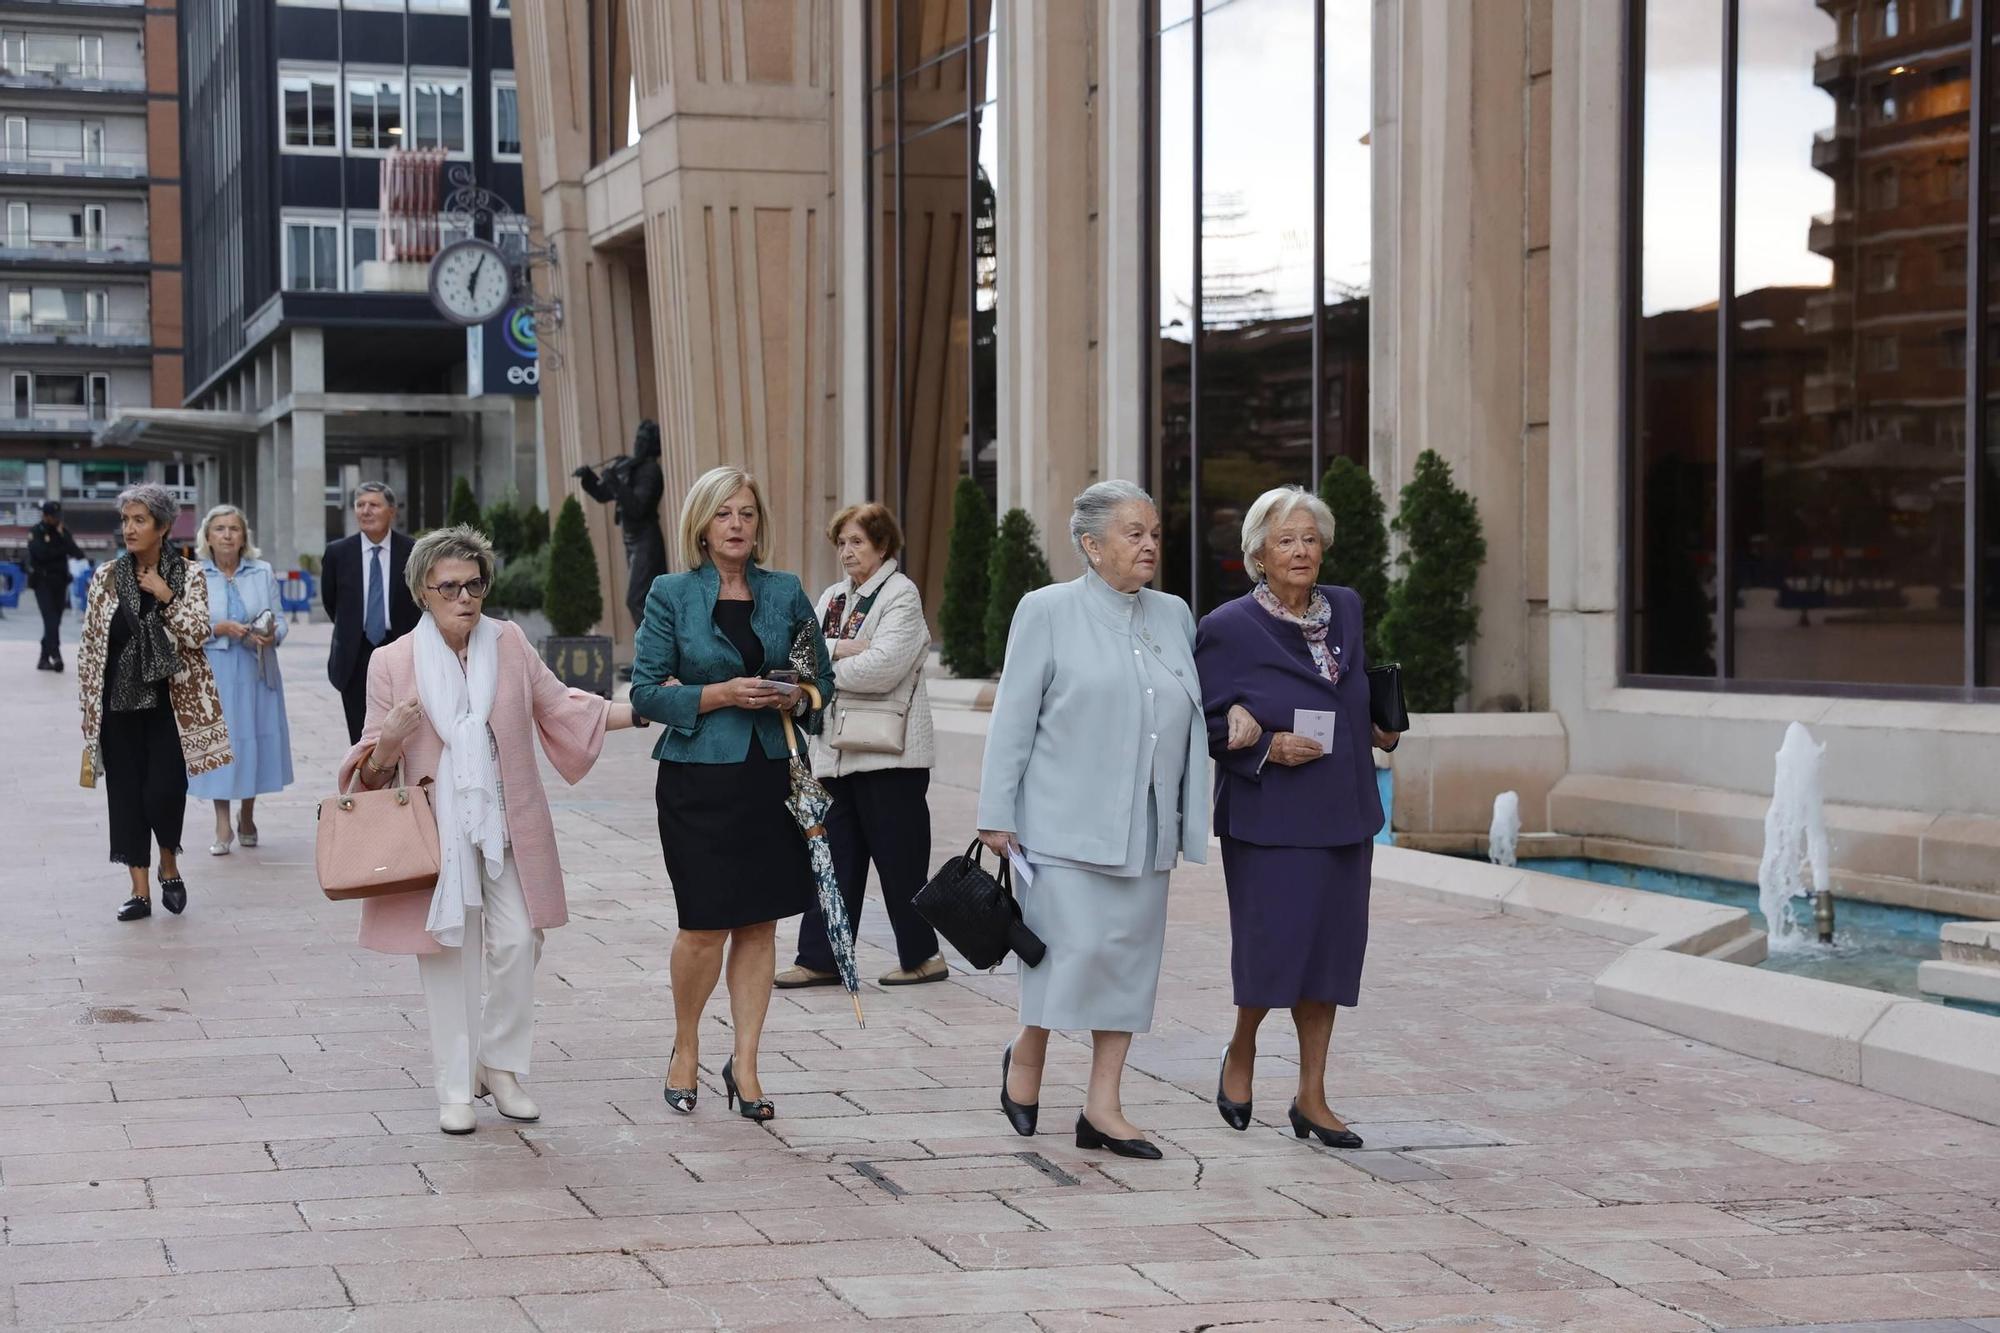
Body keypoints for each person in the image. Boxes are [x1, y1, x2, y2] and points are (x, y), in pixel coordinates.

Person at [339, 525, 645, 1135]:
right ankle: (455, 1087)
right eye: (449, 586)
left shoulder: (509, 643)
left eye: (474, 583)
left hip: (506, 827)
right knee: (448, 956)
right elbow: (370, 772)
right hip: (435, 836)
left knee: (519, 940)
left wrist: (644, 710)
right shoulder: (392, 662)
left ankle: (498, 1064)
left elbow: (562, 707)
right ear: (423, 590)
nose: (465, 597)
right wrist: (392, 741)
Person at [976, 480, 1209, 1161]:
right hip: (1060, 824)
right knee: (1063, 957)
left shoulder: (1174, 615)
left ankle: (1103, 1107)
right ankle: (1026, 1059)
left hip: (1146, 825)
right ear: (1090, 544)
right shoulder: (1046, 610)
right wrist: (996, 811)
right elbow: (1014, 715)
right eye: (1134, 533)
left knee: (1130, 965)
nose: (1149, 545)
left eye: (1155, 533)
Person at [1194, 485, 1401, 1150]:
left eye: (1310, 538)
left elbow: (1353, 681)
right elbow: (1196, 721)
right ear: (1258, 552)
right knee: (1273, 951)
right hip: (1271, 816)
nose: (1302, 550)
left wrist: (1380, 724)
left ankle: (1312, 1094)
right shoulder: (1227, 627)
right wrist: (1260, 746)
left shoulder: (1345, 607)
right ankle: (1243, 1046)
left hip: (1344, 809)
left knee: (1331, 959)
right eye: (1287, 539)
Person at [630, 467, 835, 1122]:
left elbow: (819, 682)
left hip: (771, 775)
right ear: (702, 522)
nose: (737, 524)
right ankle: (685, 1044)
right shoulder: (670, 593)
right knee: (702, 923)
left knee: (759, 921)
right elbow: (644, 692)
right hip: (698, 778)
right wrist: (720, 694)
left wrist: (792, 695)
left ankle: (745, 1061)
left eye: (747, 512)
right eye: (724, 513)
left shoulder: (787, 592)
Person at [776, 502, 944, 991]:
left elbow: (884, 668)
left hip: (890, 756)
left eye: (857, 542)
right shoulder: (832, 597)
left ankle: (922, 956)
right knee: (832, 858)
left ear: (883, 546)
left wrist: (825, 667)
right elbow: (797, 654)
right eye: (842, 543)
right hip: (834, 753)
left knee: (901, 862)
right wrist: (838, 651)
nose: (847, 552)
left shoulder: (901, 594)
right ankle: (821, 957)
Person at [77, 485, 231, 922]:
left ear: (163, 527)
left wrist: (166, 595)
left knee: (164, 791)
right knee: (125, 796)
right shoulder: (105, 575)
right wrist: (90, 709)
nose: (129, 528)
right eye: (126, 520)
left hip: (170, 705)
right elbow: (91, 645)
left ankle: (169, 865)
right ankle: (139, 891)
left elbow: (199, 634)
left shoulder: (189, 575)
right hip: (117, 707)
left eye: (139, 520)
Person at [188, 505, 294, 855]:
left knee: (253, 741)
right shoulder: (193, 575)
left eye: (234, 528)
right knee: (220, 745)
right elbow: (183, 628)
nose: (228, 535)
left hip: (256, 667)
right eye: (219, 529)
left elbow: (280, 618)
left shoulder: (262, 572)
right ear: (207, 536)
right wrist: (218, 629)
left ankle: (247, 815)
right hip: (214, 670)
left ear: (244, 536)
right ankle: (222, 822)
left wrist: (271, 634)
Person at [322, 482, 421, 743]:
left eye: (374, 505)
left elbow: (421, 601)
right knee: (362, 737)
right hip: (355, 656)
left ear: (391, 511)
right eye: (360, 505)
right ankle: (368, 783)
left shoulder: (413, 552)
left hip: (401, 649)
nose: (366, 511)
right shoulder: (337, 553)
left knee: (407, 733)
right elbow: (331, 602)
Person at [575, 419, 667, 633]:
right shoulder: (631, 467)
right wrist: (588, 478)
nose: (638, 445)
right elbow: (603, 494)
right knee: (641, 600)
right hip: (632, 539)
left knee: (637, 600)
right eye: (637, 439)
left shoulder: (651, 471)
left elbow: (637, 507)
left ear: (653, 445)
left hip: (646, 540)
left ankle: (652, 656)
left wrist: (616, 481)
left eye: (644, 441)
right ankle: (647, 656)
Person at [29, 501, 85, 672]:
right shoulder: (36, 531)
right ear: (45, 516)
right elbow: (41, 554)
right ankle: (56, 655)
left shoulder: (62, 532)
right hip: (43, 582)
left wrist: (63, 538)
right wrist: (61, 549)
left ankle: (43, 659)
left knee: (55, 621)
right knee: (50, 619)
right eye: (53, 517)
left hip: (60, 583)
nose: (56, 520)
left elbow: (77, 553)